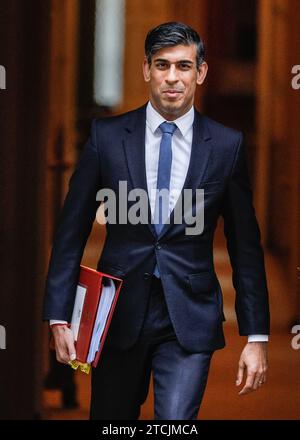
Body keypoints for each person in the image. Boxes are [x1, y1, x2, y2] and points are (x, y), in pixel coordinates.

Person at [43, 22, 270, 420]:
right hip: (116, 315)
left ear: (200, 72)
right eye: (162, 65)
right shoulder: (107, 137)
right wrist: (60, 316)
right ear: (146, 69)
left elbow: (245, 246)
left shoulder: (227, 146)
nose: (172, 78)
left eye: (183, 66)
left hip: (189, 317)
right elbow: (70, 232)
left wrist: (256, 336)